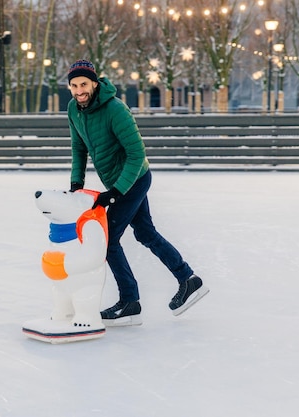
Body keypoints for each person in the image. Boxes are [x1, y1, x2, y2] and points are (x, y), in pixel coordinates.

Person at [66, 59, 209, 326]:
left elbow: (136, 154)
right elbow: (78, 148)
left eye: (83, 84)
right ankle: (188, 280)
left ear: (95, 84)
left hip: (134, 178)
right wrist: (77, 183)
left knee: (107, 241)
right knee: (145, 233)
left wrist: (116, 192)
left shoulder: (115, 110)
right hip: (117, 182)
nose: (78, 90)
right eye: (73, 85)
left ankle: (130, 301)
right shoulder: (74, 109)